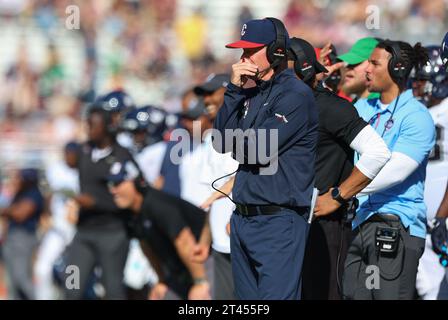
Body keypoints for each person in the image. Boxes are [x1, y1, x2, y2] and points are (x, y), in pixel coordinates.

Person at [213, 17, 318, 300]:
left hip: (278, 221)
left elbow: (257, 150)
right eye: (241, 51)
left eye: (251, 51)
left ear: (277, 52)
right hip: (244, 218)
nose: (243, 58)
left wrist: (238, 142)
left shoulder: (296, 95)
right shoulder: (249, 91)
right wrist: (234, 91)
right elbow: (220, 142)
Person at [287, 37, 391, 300]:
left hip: (325, 225)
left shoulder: (330, 106)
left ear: (301, 71)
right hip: (288, 223)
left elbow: (378, 152)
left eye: (280, 70)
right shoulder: (282, 108)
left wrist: (338, 196)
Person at [342, 40, 435, 300]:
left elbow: (394, 172)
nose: (366, 70)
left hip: (395, 224)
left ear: (397, 68)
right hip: (358, 221)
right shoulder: (361, 109)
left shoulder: (417, 116)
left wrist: (341, 193)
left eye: (374, 63)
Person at [107, 160, 210, 300]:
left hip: (204, 259)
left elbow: (184, 241)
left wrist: (200, 282)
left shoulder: (157, 204)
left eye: (118, 184)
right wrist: (162, 280)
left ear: (136, 182)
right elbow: (146, 247)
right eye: (111, 185)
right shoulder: (128, 213)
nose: (113, 190)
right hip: (181, 268)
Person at [63, 101, 136, 299]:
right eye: (87, 124)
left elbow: (133, 199)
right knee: (72, 286)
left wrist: (96, 202)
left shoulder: (123, 156)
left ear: (107, 127)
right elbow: (69, 154)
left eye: (92, 125)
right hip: (83, 233)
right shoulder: (84, 150)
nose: (88, 129)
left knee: (112, 290)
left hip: (112, 234)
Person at [180, 73, 239, 300]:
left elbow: (255, 179)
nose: (206, 100)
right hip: (220, 246)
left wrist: (239, 219)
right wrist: (205, 240)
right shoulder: (211, 142)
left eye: (211, 93)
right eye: (203, 94)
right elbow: (211, 198)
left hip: (245, 239)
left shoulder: (247, 128)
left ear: (229, 90)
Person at [407, 44, 448, 300]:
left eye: (421, 80)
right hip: (420, 219)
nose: (416, 86)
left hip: (440, 216)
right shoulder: (414, 113)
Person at [34, 141, 80, 300]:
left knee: (74, 269)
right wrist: (46, 215)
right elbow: (48, 195)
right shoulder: (55, 169)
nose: (70, 157)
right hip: (57, 224)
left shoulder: (83, 170)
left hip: (77, 227)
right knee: (42, 268)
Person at [1, 168, 43, 299]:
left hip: (23, 239)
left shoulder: (34, 194)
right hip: (12, 239)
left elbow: (20, 214)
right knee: (12, 282)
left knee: (22, 278)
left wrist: (8, 210)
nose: (16, 181)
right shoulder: (20, 194)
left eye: (19, 178)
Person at [338, 37, 381, 103]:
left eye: (356, 62)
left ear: (375, 65)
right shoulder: (354, 104)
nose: (348, 67)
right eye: (348, 62)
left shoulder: (380, 104)